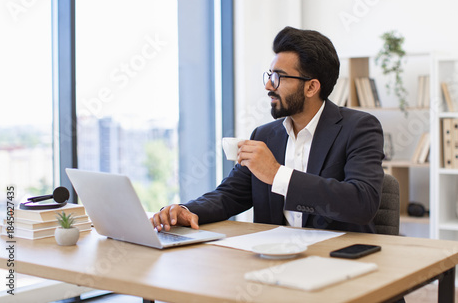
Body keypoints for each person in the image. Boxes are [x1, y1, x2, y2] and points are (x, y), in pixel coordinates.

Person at [151, 26, 385, 234]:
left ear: (312, 87)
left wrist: (276, 174)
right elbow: (229, 196)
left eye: (279, 77)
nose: (268, 85)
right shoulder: (264, 136)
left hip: (339, 262)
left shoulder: (359, 128)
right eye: (269, 75)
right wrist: (185, 210)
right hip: (273, 260)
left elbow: (362, 203)